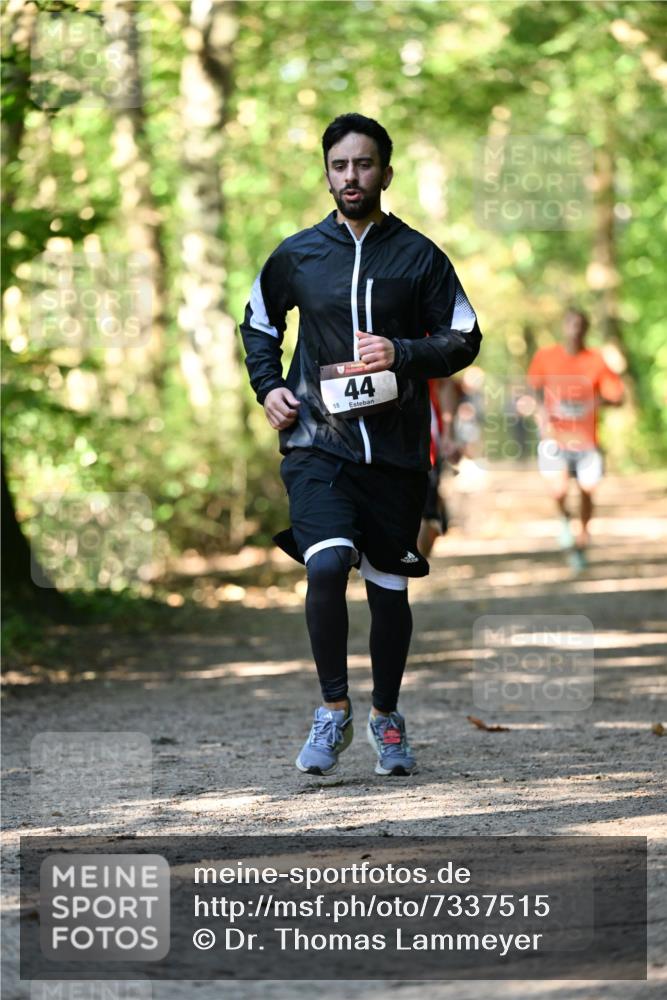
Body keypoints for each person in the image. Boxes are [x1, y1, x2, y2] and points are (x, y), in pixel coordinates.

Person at [240, 113, 481, 776]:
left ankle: (386, 716)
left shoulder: (418, 256)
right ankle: (333, 709)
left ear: (385, 172)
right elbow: (259, 324)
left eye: (364, 164)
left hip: (397, 454)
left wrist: (400, 352)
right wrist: (268, 388)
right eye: (340, 165)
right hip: (316, 441)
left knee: (387, 590)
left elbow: (463, 336)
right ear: (326, 173)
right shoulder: (296, 254)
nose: (352, 176)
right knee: (325, 562)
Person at [527, 308, 624, 571]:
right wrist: (541, 414)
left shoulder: (596, 359)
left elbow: (617, 396)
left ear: (587, 329)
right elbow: (532, 391)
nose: (576, 329)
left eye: (581, 324)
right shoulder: (545, 356)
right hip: (554, 437)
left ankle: (581, 538)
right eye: (571, 323)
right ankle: (564, 520)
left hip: (586, 438)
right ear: (563, 326)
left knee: (587, 490)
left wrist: (596, 401)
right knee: (558, 489)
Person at [417, 377, 463, 558]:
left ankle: (410, 568)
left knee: (426, 517)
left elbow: (446, 383)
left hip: (424, 443)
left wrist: (448, 434)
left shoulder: (420, 348)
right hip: (373, 447)